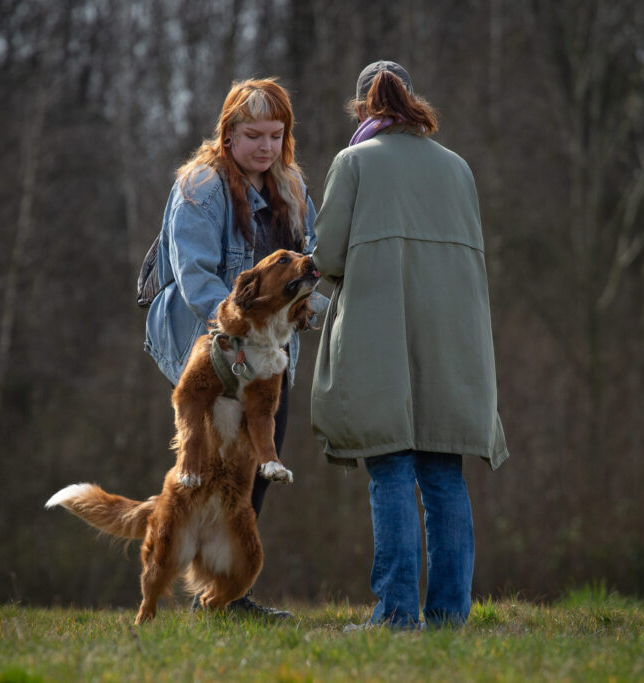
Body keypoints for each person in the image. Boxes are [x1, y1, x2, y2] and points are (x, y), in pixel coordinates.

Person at [310, 61, 509, 629]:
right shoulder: (457, 167)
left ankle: (396, 616)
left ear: (362, 108)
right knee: (443, 475)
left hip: (380, 337)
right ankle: (449, 618)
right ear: (410, 101)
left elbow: (327, 258)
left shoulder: (353, 162)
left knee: (390, 467)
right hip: (453, 342)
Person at [144, 77, 317, 618]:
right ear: (228, 135)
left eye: (275, 135)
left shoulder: (292, 187)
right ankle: (196, 583)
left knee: (261, 461)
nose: (266, 147)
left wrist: (320, 311)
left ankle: (225, 594)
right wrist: (235, 341)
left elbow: (311, 266)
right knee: (206, 469)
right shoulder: (200, 186)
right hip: (211, 342)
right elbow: (195, 277)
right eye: (253, 135)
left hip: (271, 348)